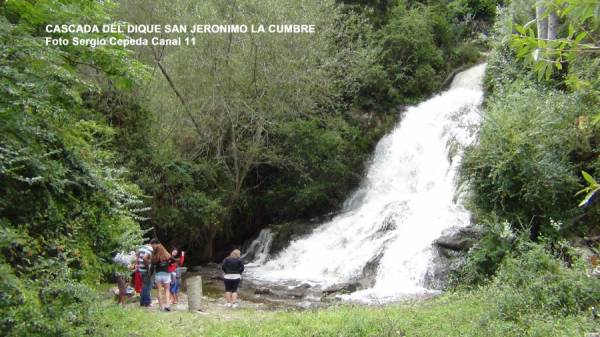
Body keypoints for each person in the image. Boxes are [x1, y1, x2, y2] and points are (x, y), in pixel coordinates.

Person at [138, 238, 159, 307]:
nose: (156, 247)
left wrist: (138, 264)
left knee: (145, 285)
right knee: (148, 286)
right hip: (145, 270)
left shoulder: (142, 247)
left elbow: (137, 255)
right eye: (156, 245)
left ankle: (142, 302)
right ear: (154, 244)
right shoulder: (150, 249)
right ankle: (147, 302)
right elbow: (144, 258)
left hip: (140, 269)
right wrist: (148, 266)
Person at [152, 243, 172, 312]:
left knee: (159, 290)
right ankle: (167, 305)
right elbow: (172, 260)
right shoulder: (167, 256)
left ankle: (161, 307)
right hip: (166, 274)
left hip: (158, 275)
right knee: (167, 290)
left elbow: (152, 265)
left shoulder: (155, 257)